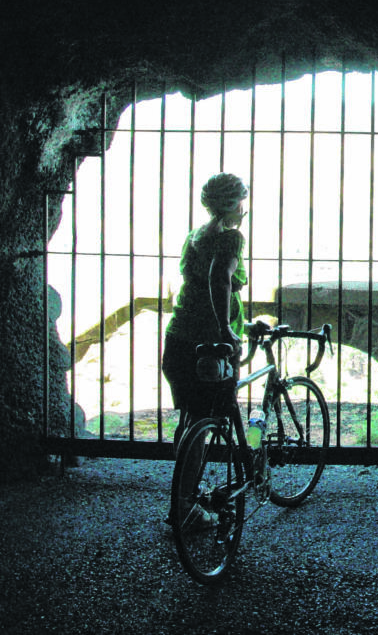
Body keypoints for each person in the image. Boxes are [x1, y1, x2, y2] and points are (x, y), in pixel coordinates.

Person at [162, 172, 249, 529]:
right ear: (234, 206)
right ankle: (185, 510)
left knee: (189, 422)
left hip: (178, 339)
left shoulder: (194, 236)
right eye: (241, 201)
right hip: (208, 346)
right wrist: (226, 328)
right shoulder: (231, 239)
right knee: (203, 422)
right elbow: (219, 279)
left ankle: (182, 504)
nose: (244, 209)